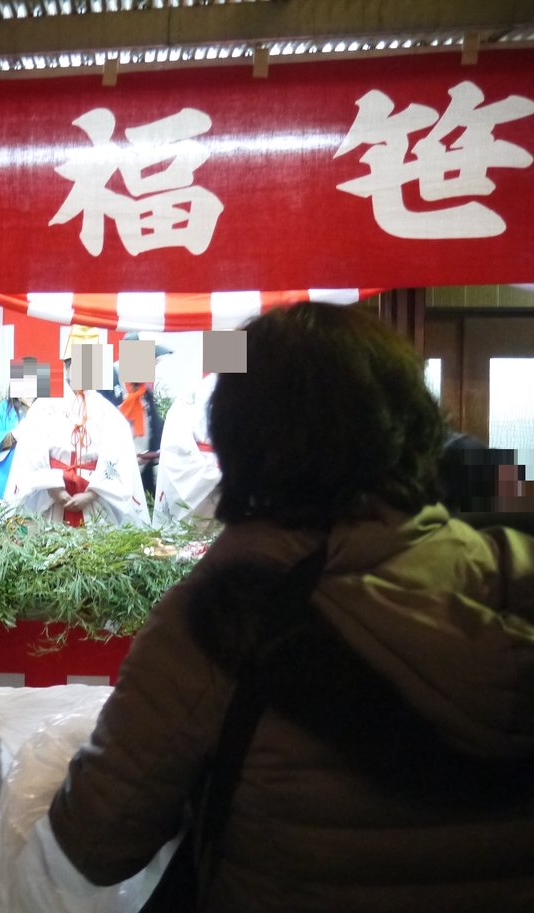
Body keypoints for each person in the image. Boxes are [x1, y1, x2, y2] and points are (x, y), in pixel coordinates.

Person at [46, 302, 534, 912]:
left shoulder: (214, 613)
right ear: (412, 425)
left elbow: (97, 838)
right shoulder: (512, 572)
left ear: (238, 435)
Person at [5, 325, 149, 527]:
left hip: (95, 505)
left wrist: (92, 493)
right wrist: (55, 489)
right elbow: (30, 455)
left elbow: (118, 457)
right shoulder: (43, 410)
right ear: (66, 367)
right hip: (52, 502)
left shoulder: (110, 415)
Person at [99, 334, 169, 497]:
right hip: (109, 480)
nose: (154, 366)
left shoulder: (144, 392)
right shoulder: (106, 381)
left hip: (139, 480)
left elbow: (155, 431)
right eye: (152, 360)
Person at [152, 372, 221, 529]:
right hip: (204, 470)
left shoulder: (250, 396)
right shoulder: (190, 398)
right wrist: (217, 475)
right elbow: (177, 447)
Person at [0, 356, 46, 499]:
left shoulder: (47, 409)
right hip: (11, 477)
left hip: (41, 477)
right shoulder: (4, 409)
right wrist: (12, 436)